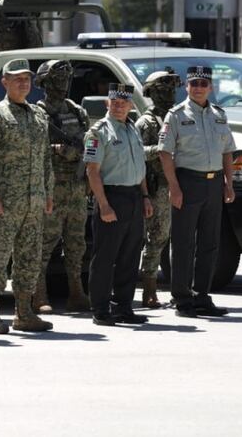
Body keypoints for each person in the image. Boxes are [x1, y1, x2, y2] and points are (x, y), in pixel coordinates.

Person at [0, 58, 54, 334]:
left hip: (33, 203)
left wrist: (48, 193)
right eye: (17, 78)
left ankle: (24, 312)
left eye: (27, 78)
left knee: (29, 259)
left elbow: (45, 161)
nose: (23, 83)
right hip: (4, 205)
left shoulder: (39, 116)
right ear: (4, 82)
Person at [159, 66, 236, 318]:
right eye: (195, 84)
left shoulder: (219, 115)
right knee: (183, 244)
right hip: (187, 183)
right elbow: (165, 153)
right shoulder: (176, 115)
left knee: (210, 243)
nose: (199, 88)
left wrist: (229, 183)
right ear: (187, 87)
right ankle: (182, 298)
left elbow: (227, 152)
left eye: (204, 83)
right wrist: (174, 187)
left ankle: (202, 295)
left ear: (211, 87)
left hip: (214, 184)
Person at [84, 84, 153, 326]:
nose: (119, 105)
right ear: (108, 103)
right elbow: (92, 171)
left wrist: (145, 196)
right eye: (115, 101)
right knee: (105, 257)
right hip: (112, 197)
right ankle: (100, 309)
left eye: (124, 102)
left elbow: (140, 167)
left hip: (133, 197)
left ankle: (123, 307)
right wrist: (103, 205)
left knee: (130, 255)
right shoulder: (99, 131)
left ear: (131, 105)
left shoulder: (132, 128)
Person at [33, 60, 91, 313]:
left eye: (67, 77)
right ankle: (38, 294)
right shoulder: (38, 113)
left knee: (76, 243)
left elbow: (90, 144)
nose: (64, 82)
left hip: (76, 186)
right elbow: (30, 149)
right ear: (45, 81)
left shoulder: (78, 111)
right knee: (45, 243)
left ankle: (76, 291)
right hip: (52, 187)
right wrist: (58, 150)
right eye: (58, 77)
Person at [135, 70, 181, 308]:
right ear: (151, 92)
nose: (170, 94)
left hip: (178, 185)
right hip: (156, 187)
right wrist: (162, 150)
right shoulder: (147, 122)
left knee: (178, 239)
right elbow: (137, 153)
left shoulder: (176, 117)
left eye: (172, 89)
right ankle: (149, 288)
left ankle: (180, 289)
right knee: (156, 238)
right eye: (163, 89)